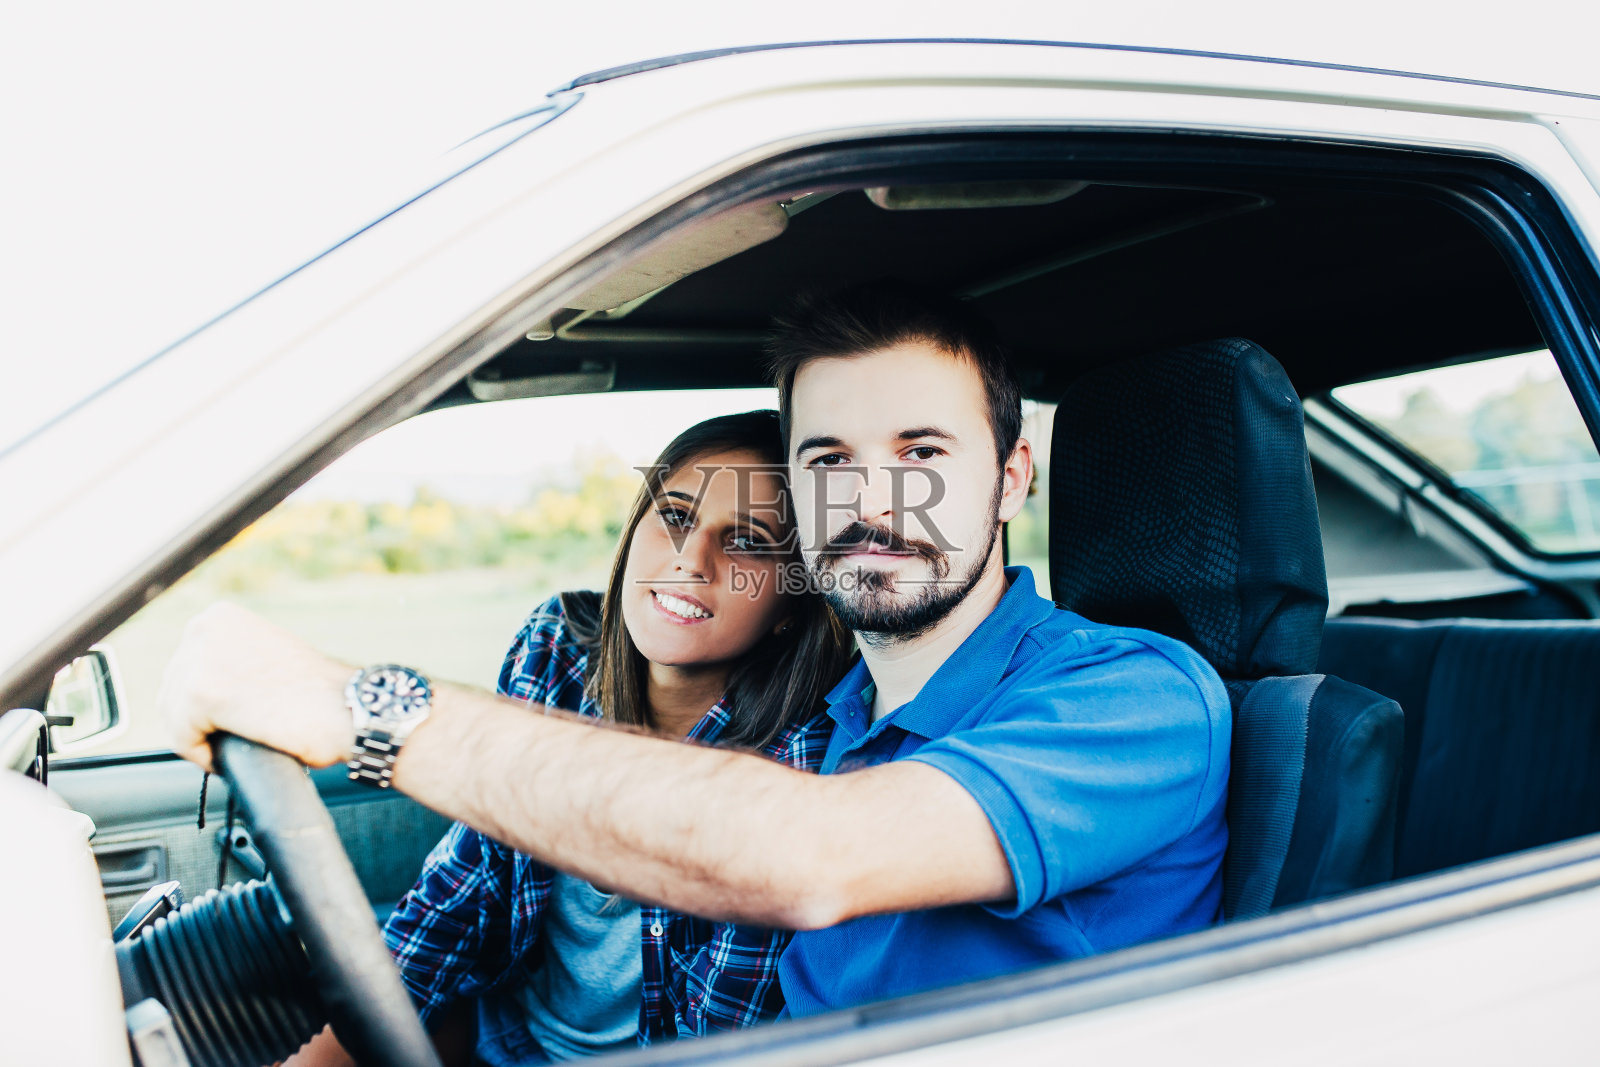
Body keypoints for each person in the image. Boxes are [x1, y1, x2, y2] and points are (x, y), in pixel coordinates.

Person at [164, 282, 1231, 1025]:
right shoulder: (832, 712)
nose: (868, 501)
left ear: (1009, 477)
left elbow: (806, 858)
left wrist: (363, 706)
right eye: (827, 460)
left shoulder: (1135, 695)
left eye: (921, 453)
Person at [288, 411, 853, 1065]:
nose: (689, 560)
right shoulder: (557, 646)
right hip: (503, 1029)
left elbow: (718, 1038)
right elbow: (469, 876)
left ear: (790, 603)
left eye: (748, 540)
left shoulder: (795, 760)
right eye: (674, 516)